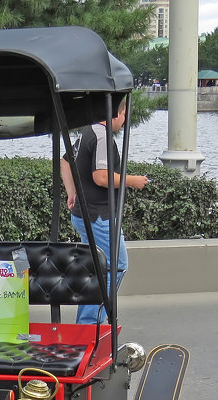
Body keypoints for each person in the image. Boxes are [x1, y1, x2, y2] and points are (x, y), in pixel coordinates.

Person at [61, 99, 148, 325]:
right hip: (99, 216)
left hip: (83, 214)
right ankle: (91, 324)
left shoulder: (87, 131)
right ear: (116, 114)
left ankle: (85, 326)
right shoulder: (102, 136)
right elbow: (101, 176)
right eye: (124, 115)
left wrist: (72, 193)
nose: (125, 121)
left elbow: (65, 162)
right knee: (115, 267)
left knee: (95, 271)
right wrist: (133, 181)